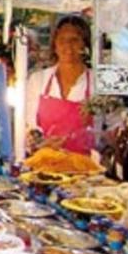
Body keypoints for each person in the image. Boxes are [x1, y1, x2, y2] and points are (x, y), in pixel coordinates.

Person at [26, 15, 94, 154]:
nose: (68, 46)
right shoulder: (38, 80)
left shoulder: (97, 82)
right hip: (44, 163)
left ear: (85, 45)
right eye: (62, 40)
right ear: (54, 45)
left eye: (74, 40)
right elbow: (28, 124)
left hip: (86, 169)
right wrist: (40, 142)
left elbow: (112, 129)